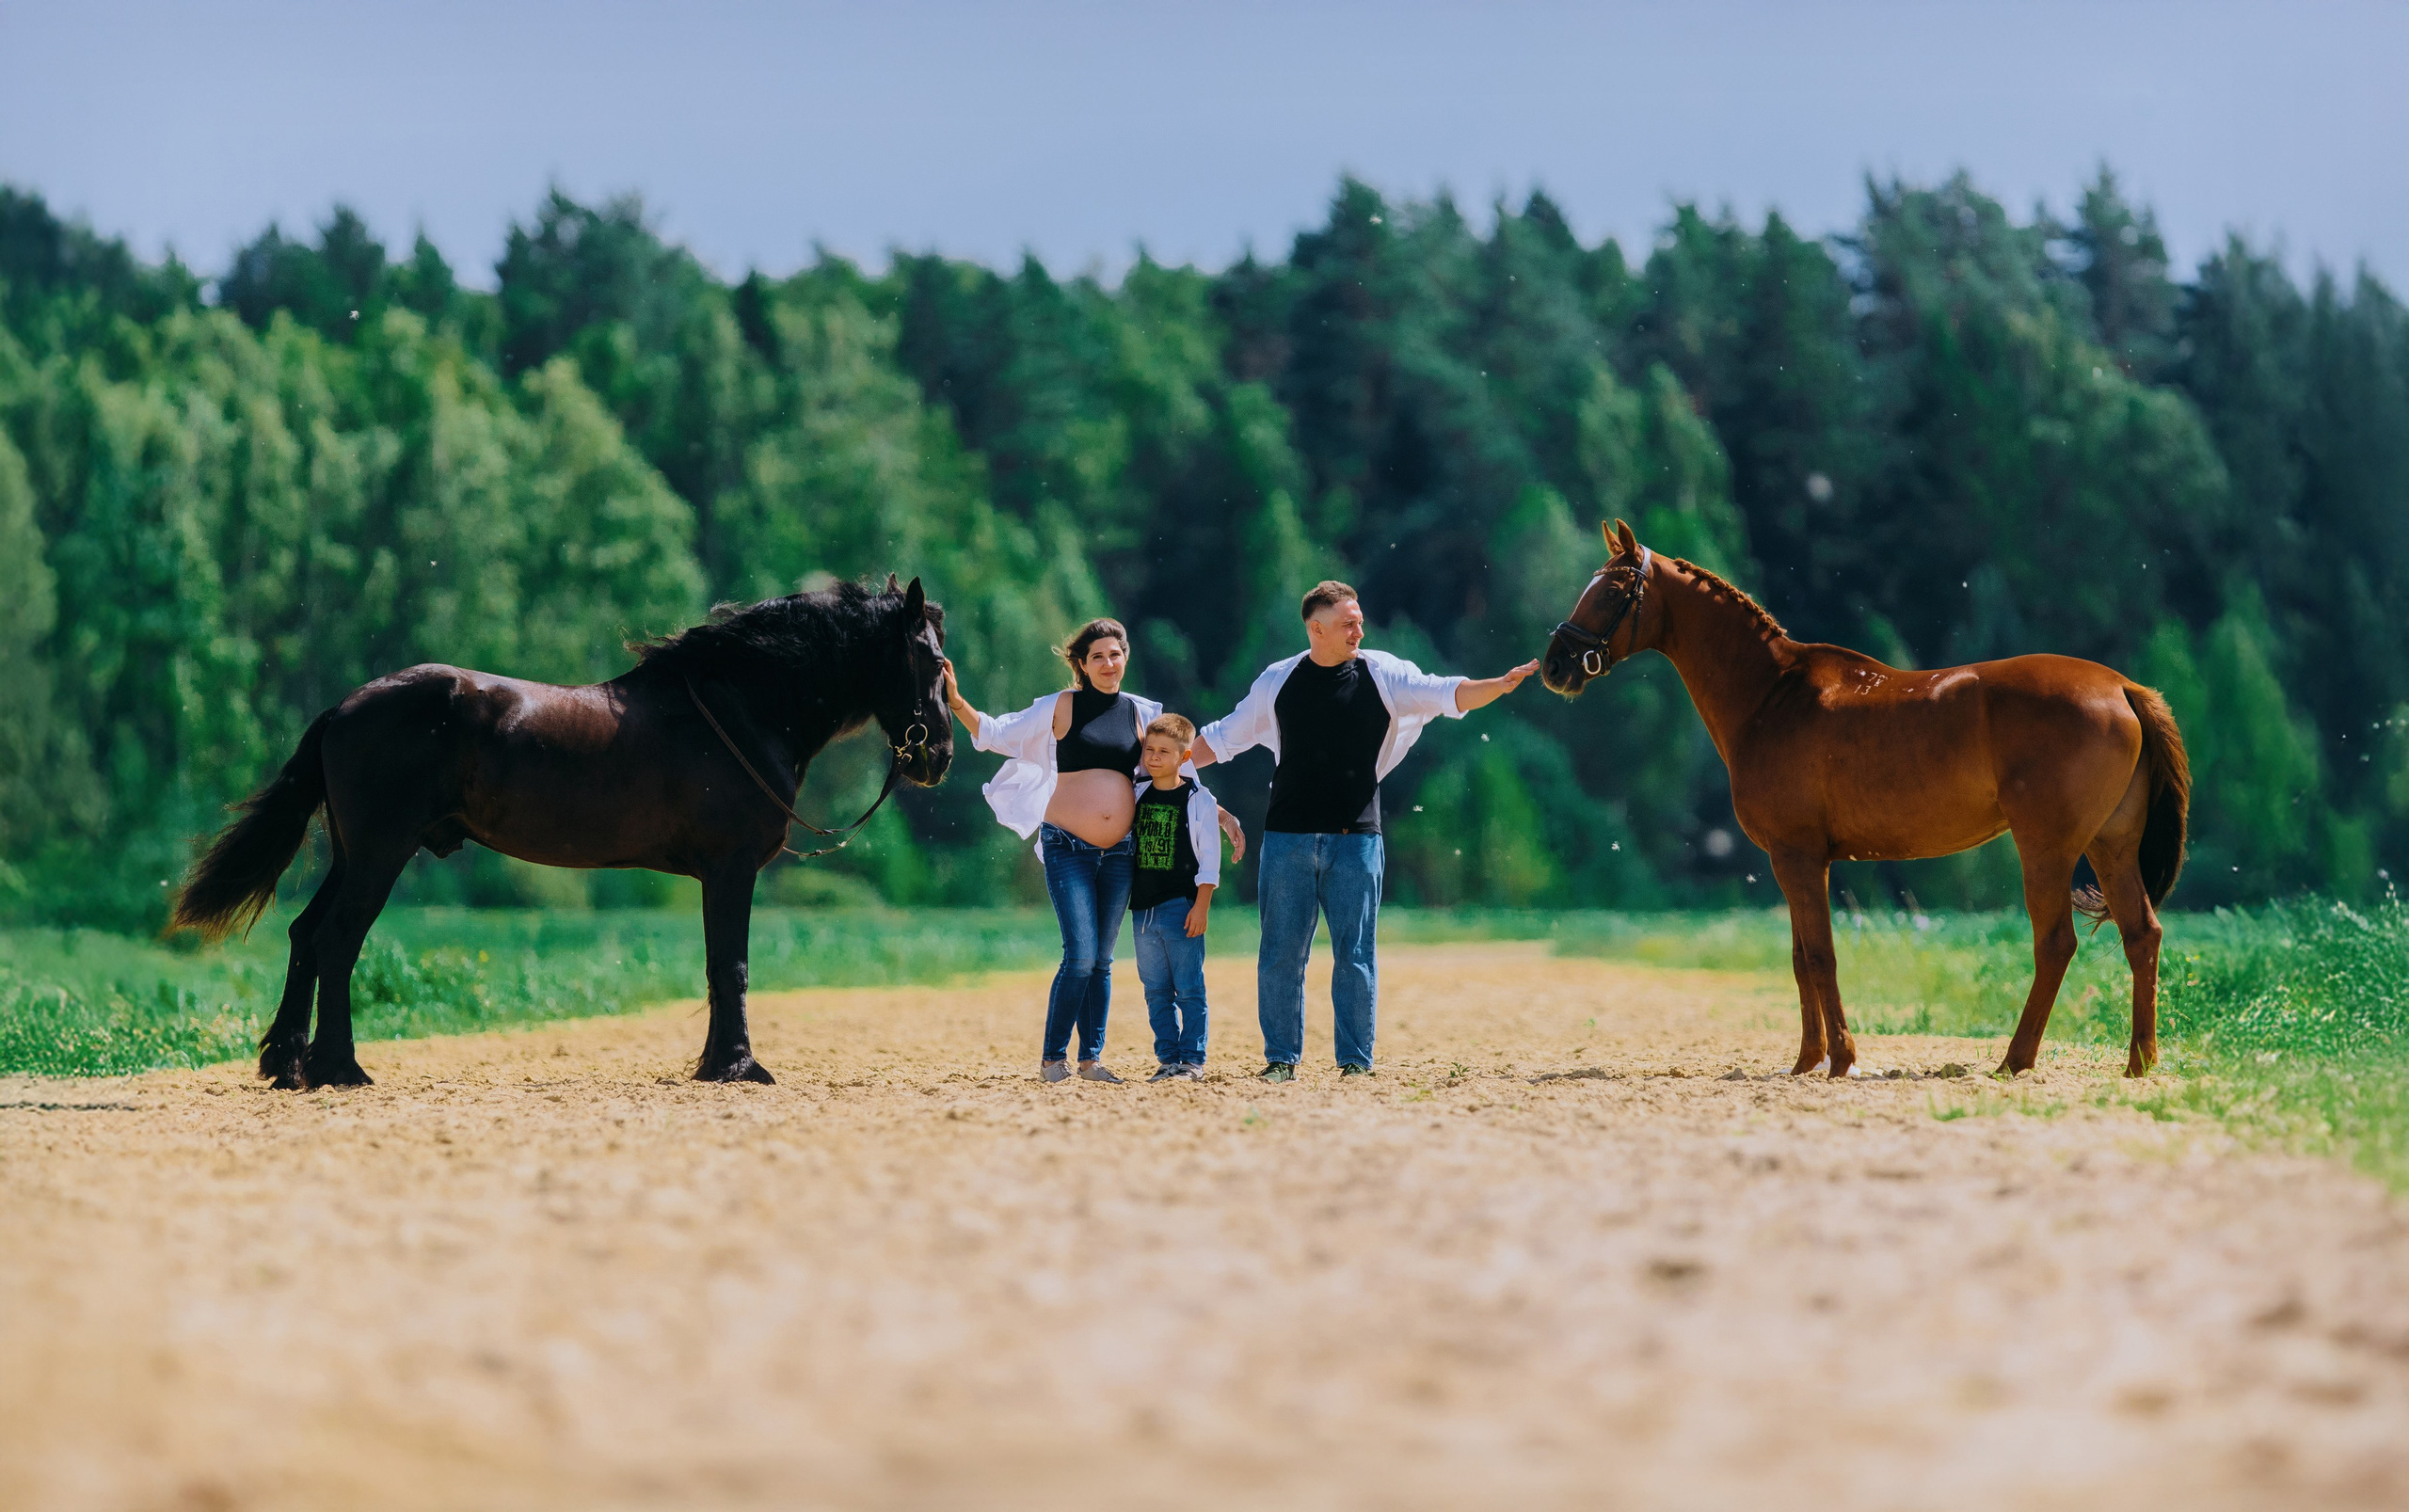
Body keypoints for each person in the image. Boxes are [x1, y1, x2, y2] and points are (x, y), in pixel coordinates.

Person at [1191, 581, 1537, 1079]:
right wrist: (1165, 764)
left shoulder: (1385, 674)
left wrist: (1497, 685)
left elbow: (1445, 692)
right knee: (1280, 957)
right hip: (1287, 838)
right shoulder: (1277, 680)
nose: (1359, 630)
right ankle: (1281, 1061)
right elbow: (1222, 738)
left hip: (1358, 839)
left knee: (1355, 957)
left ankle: (1355, 1061)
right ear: (1317, 629)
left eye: (1359, 621)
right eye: (1348, 623)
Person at [941, 619, 1243, 1083]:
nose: (1108, 663)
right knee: (1080, 955)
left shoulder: (1139, 714)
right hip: (1069, 846)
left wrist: (1219, 815)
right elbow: (998, 733)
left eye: (1115, 654)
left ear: (1126, 658)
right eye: (1097, 656)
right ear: (1082, 664)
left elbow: (1172, 775)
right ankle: (1052, 1059)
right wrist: (957, 701)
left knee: (1103, 959)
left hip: (1121, 853)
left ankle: (1090, 1060)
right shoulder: (1062, 706)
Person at [1127, 713, 1222, 1081]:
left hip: (1181, 907)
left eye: (1164, 751)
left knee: (1189, 989)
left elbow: (1210, 858)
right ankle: (1167, 1058)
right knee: (1155, 990)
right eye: (1149, 749)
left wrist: (1202, 906)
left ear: (1184, 758)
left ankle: (1192, 1060)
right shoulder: (1137, 794)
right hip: (1143, 910)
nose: (1153, 757)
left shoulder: (1199, 800)